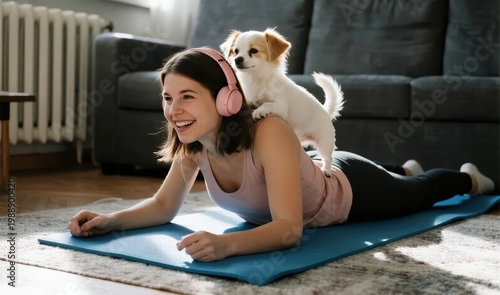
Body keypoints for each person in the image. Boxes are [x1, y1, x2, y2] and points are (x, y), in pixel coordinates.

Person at [68, 47, 496, 262]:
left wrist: (227, 244)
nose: (173, 111)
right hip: (313, 170)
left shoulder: (269, 130)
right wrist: (110, 220)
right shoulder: (195, 139)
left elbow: (289, 230)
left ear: (226, 99)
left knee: (420, 192)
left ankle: (470, 178)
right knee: (403, 177)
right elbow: (164, 205)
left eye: (187, 97)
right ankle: (401, 167)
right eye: (166, 98)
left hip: (350, 193)